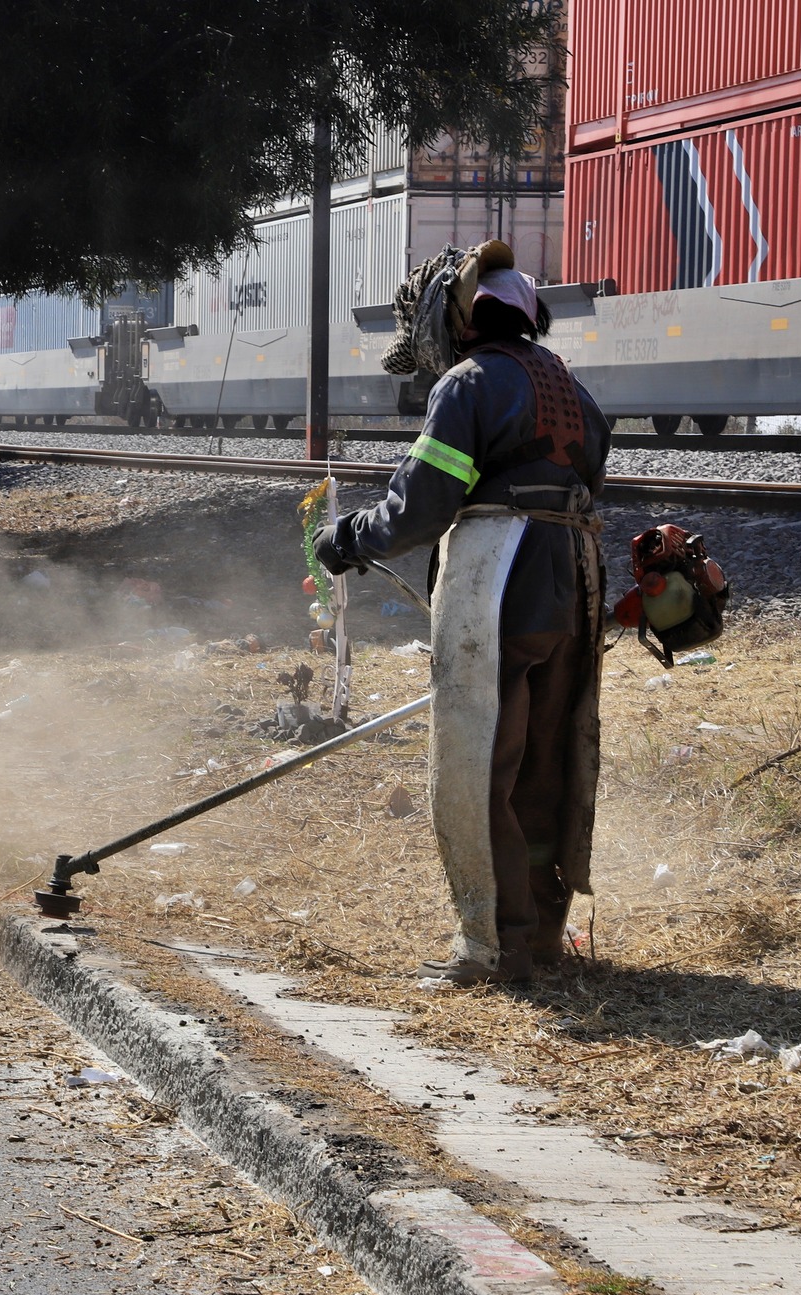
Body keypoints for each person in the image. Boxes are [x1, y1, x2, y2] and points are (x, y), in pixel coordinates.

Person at [313, 242, 612, 984]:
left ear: (456, 319)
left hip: (500, 582)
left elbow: (424, 502)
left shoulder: (467, 384)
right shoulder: (570, 385)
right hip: (573, 583)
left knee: (484, 767)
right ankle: (544, 937)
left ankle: (491, 946)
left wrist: (348, 538)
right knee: (547, 765)